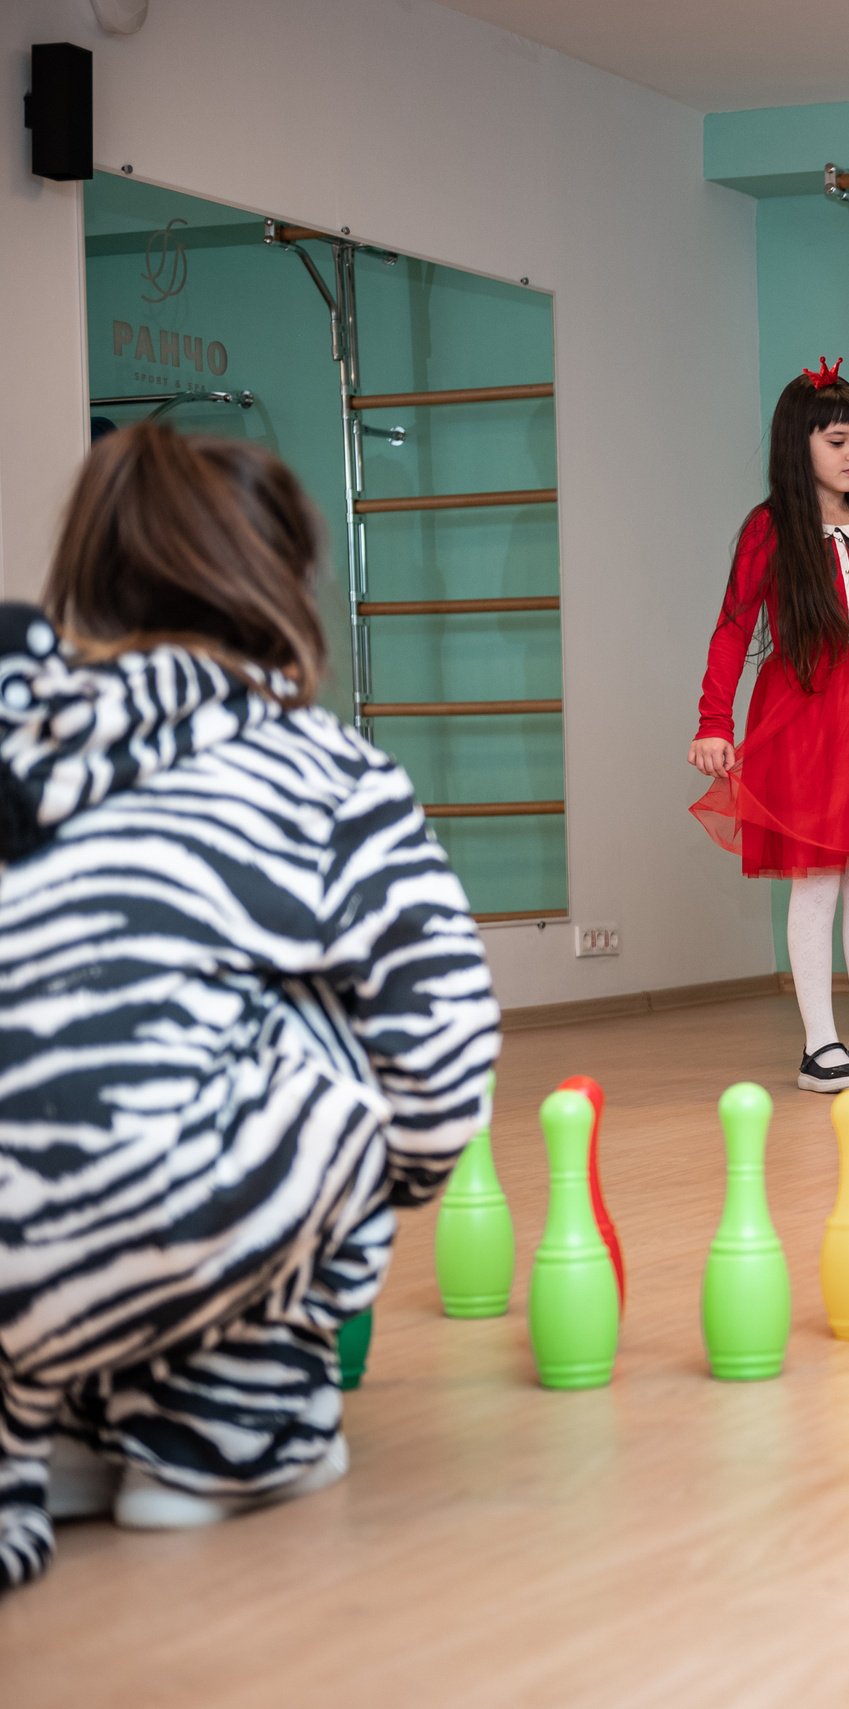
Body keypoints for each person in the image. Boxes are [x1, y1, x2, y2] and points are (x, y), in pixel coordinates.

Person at [0, 425, 500, 1590]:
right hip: (158, 1220)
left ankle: (59, 1422)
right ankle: (218, 1431)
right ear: (278, 581)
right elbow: (443, 1054)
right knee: (324, 1037)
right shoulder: (319, 766)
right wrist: (363, 1219)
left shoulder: (18, 736)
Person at [690, 363, 849, 1094]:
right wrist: (713, 720)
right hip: (804, 715)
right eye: (837, 440)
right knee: (818, 880)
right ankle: (819, 1045)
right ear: (796, 443)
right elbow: (733, 629)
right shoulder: (771, 528)